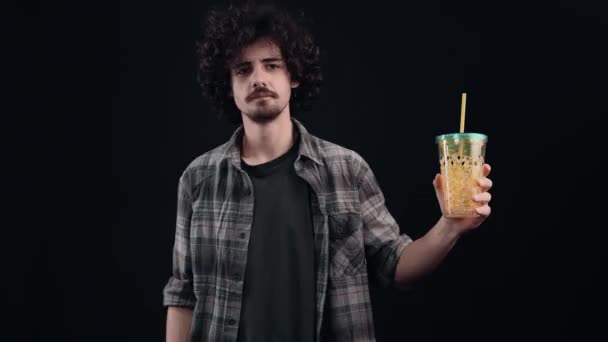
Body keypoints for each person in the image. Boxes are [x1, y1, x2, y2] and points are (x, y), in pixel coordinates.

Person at [162, 2, 493, 342]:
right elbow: (183, 295)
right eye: (243, 70)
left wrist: (449, 226)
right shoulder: (198, 179)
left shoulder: (346, 170)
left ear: (293, 76)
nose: (258, 78)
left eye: (271, 65)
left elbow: (396, 266)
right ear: (228, 85)